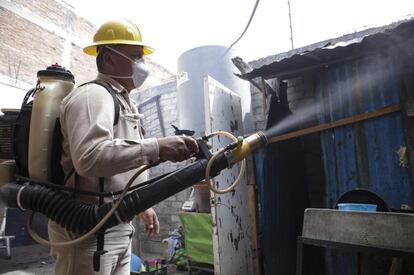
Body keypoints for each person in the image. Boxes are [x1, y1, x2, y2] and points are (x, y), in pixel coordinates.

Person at [47, 18, 199, 275]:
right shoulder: (93, 95)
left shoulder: (124, 101)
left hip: (117, 225)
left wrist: (142, 205)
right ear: (108, 59)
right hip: (87, 231)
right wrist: (157, 147)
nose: (143, 66)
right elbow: (89, 158)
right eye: (136, 57)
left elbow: (122, 160)